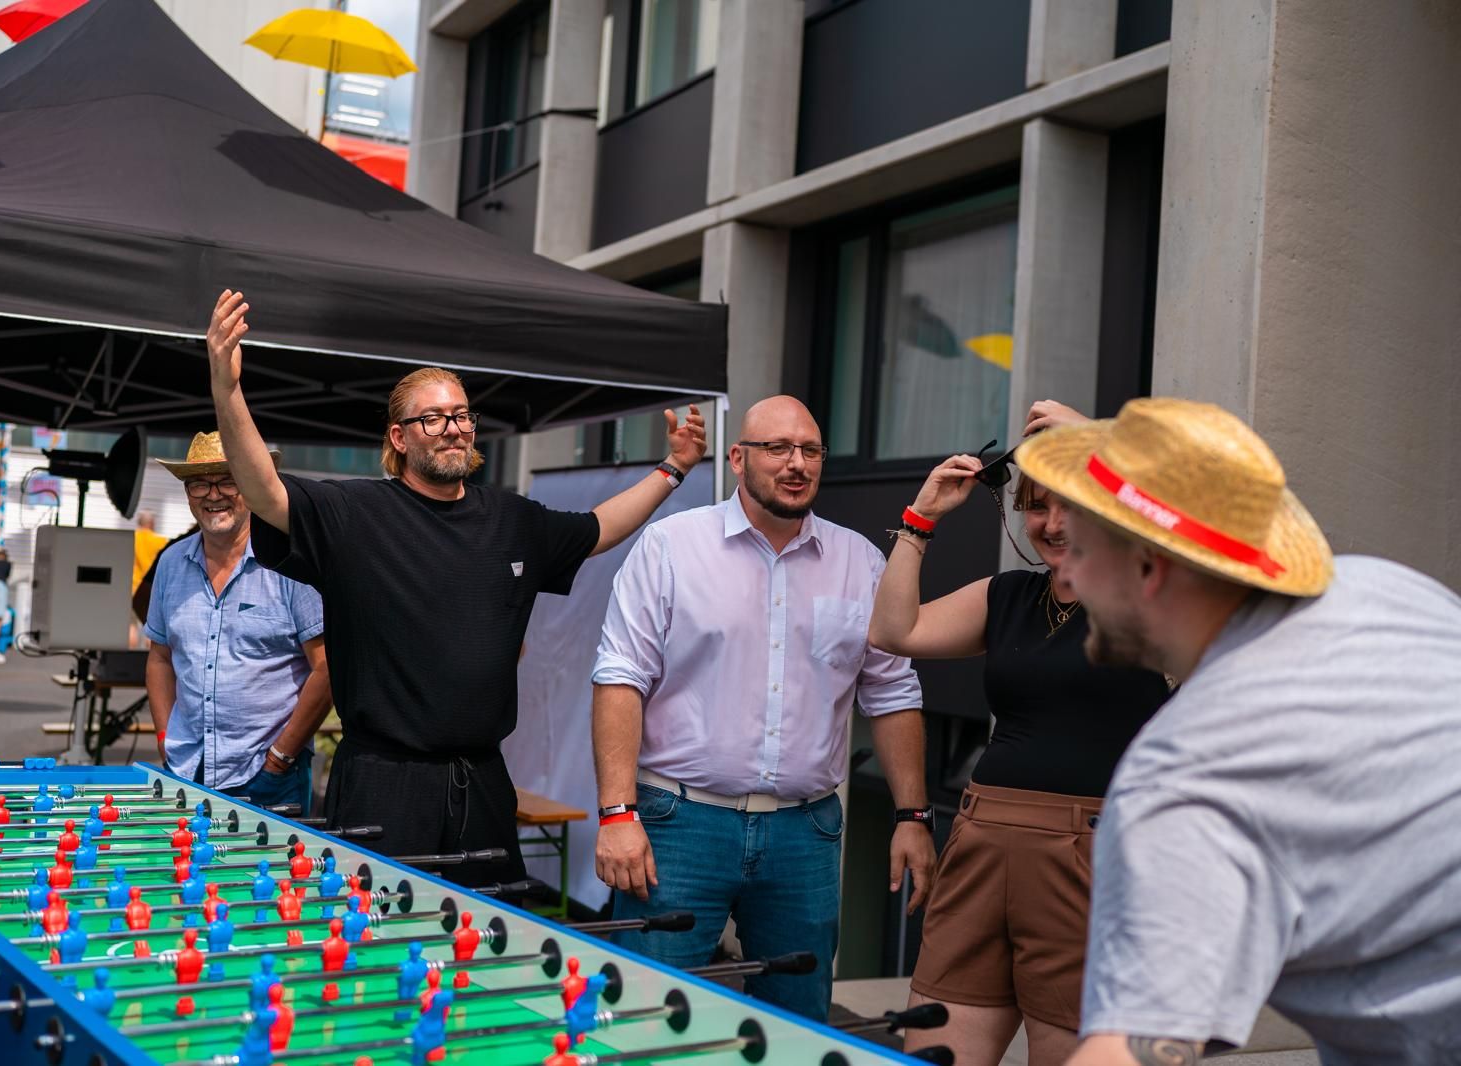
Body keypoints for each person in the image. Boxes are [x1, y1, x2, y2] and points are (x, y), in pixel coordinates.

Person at [1005, 397, 1461, 1066]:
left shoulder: (1187, 776)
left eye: (1078, 548)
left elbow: (1134, 1052)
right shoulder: (1389, 590)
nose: (1066, 574)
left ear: (1148, 570)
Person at [203, 289, 708, 885]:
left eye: (462, 415)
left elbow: (599, 530)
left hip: (483, 784)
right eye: (434, 418)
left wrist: (672, 470)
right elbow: (265, 492)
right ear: (400, 437)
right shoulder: (356, 513)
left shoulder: (513, 519)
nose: (453, 429)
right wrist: (226, 389)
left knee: (487, 956)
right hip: (381, 788)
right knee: (380, 956)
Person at [590, 396, 932, 1022]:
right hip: (678, 825)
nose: (796, 463)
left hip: (806, 834)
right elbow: (620, 678)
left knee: (797, 1024)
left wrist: (912, 813)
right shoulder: (670, 547)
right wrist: (616, 812)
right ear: (739, 459)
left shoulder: (860, 562)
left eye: (810, 450)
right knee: (650, 1018)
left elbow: (892, 693)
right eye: (778, 449)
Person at [867, 400, 1170, 1065]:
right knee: (935, 1052)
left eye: (1071, 503)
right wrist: (921, 519)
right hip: (981, 842)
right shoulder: (1008, 595)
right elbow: (893, 631)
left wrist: (1098, 440)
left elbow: (1189, 522)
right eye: (1036, 507)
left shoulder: (1148, 596)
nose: (1052, 525)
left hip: (1086, 852)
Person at [144, 431, 333, 815]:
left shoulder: (291, 563)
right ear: (187, 493)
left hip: (268, 775)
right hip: (186, 769)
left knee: (267, 876)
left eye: (229, 480)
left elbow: (327, 667)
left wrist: (280, 757)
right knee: (186, 875)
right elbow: (160, 658)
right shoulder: (171, 563)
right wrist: (166, 738)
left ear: (251, 485)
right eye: (199, 483)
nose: (214, 495)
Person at [131, 511, 168, 649]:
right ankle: (149, 656)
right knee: (153, 629)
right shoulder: (160, 542)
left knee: (131, 627)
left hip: (132, 588)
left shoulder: (132, 539)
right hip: (150, 589)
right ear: (152, 524)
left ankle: (129, 657)